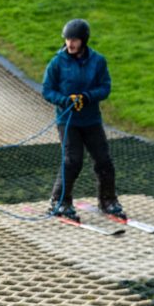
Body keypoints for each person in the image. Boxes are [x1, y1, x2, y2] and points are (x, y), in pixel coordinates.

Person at [42, 18, 126, 222]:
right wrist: (65, 100)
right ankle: (60, 201)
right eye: (68, 39)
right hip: (68, 121)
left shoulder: (98, 61)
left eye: (75, 40)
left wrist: (87, 97)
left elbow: (105, 87)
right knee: (73, 161)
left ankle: (108, 201)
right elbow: (47, 90)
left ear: (84, 40)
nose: (70, 44)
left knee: (104, 160)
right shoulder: (57, 62)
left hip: (91, 120)